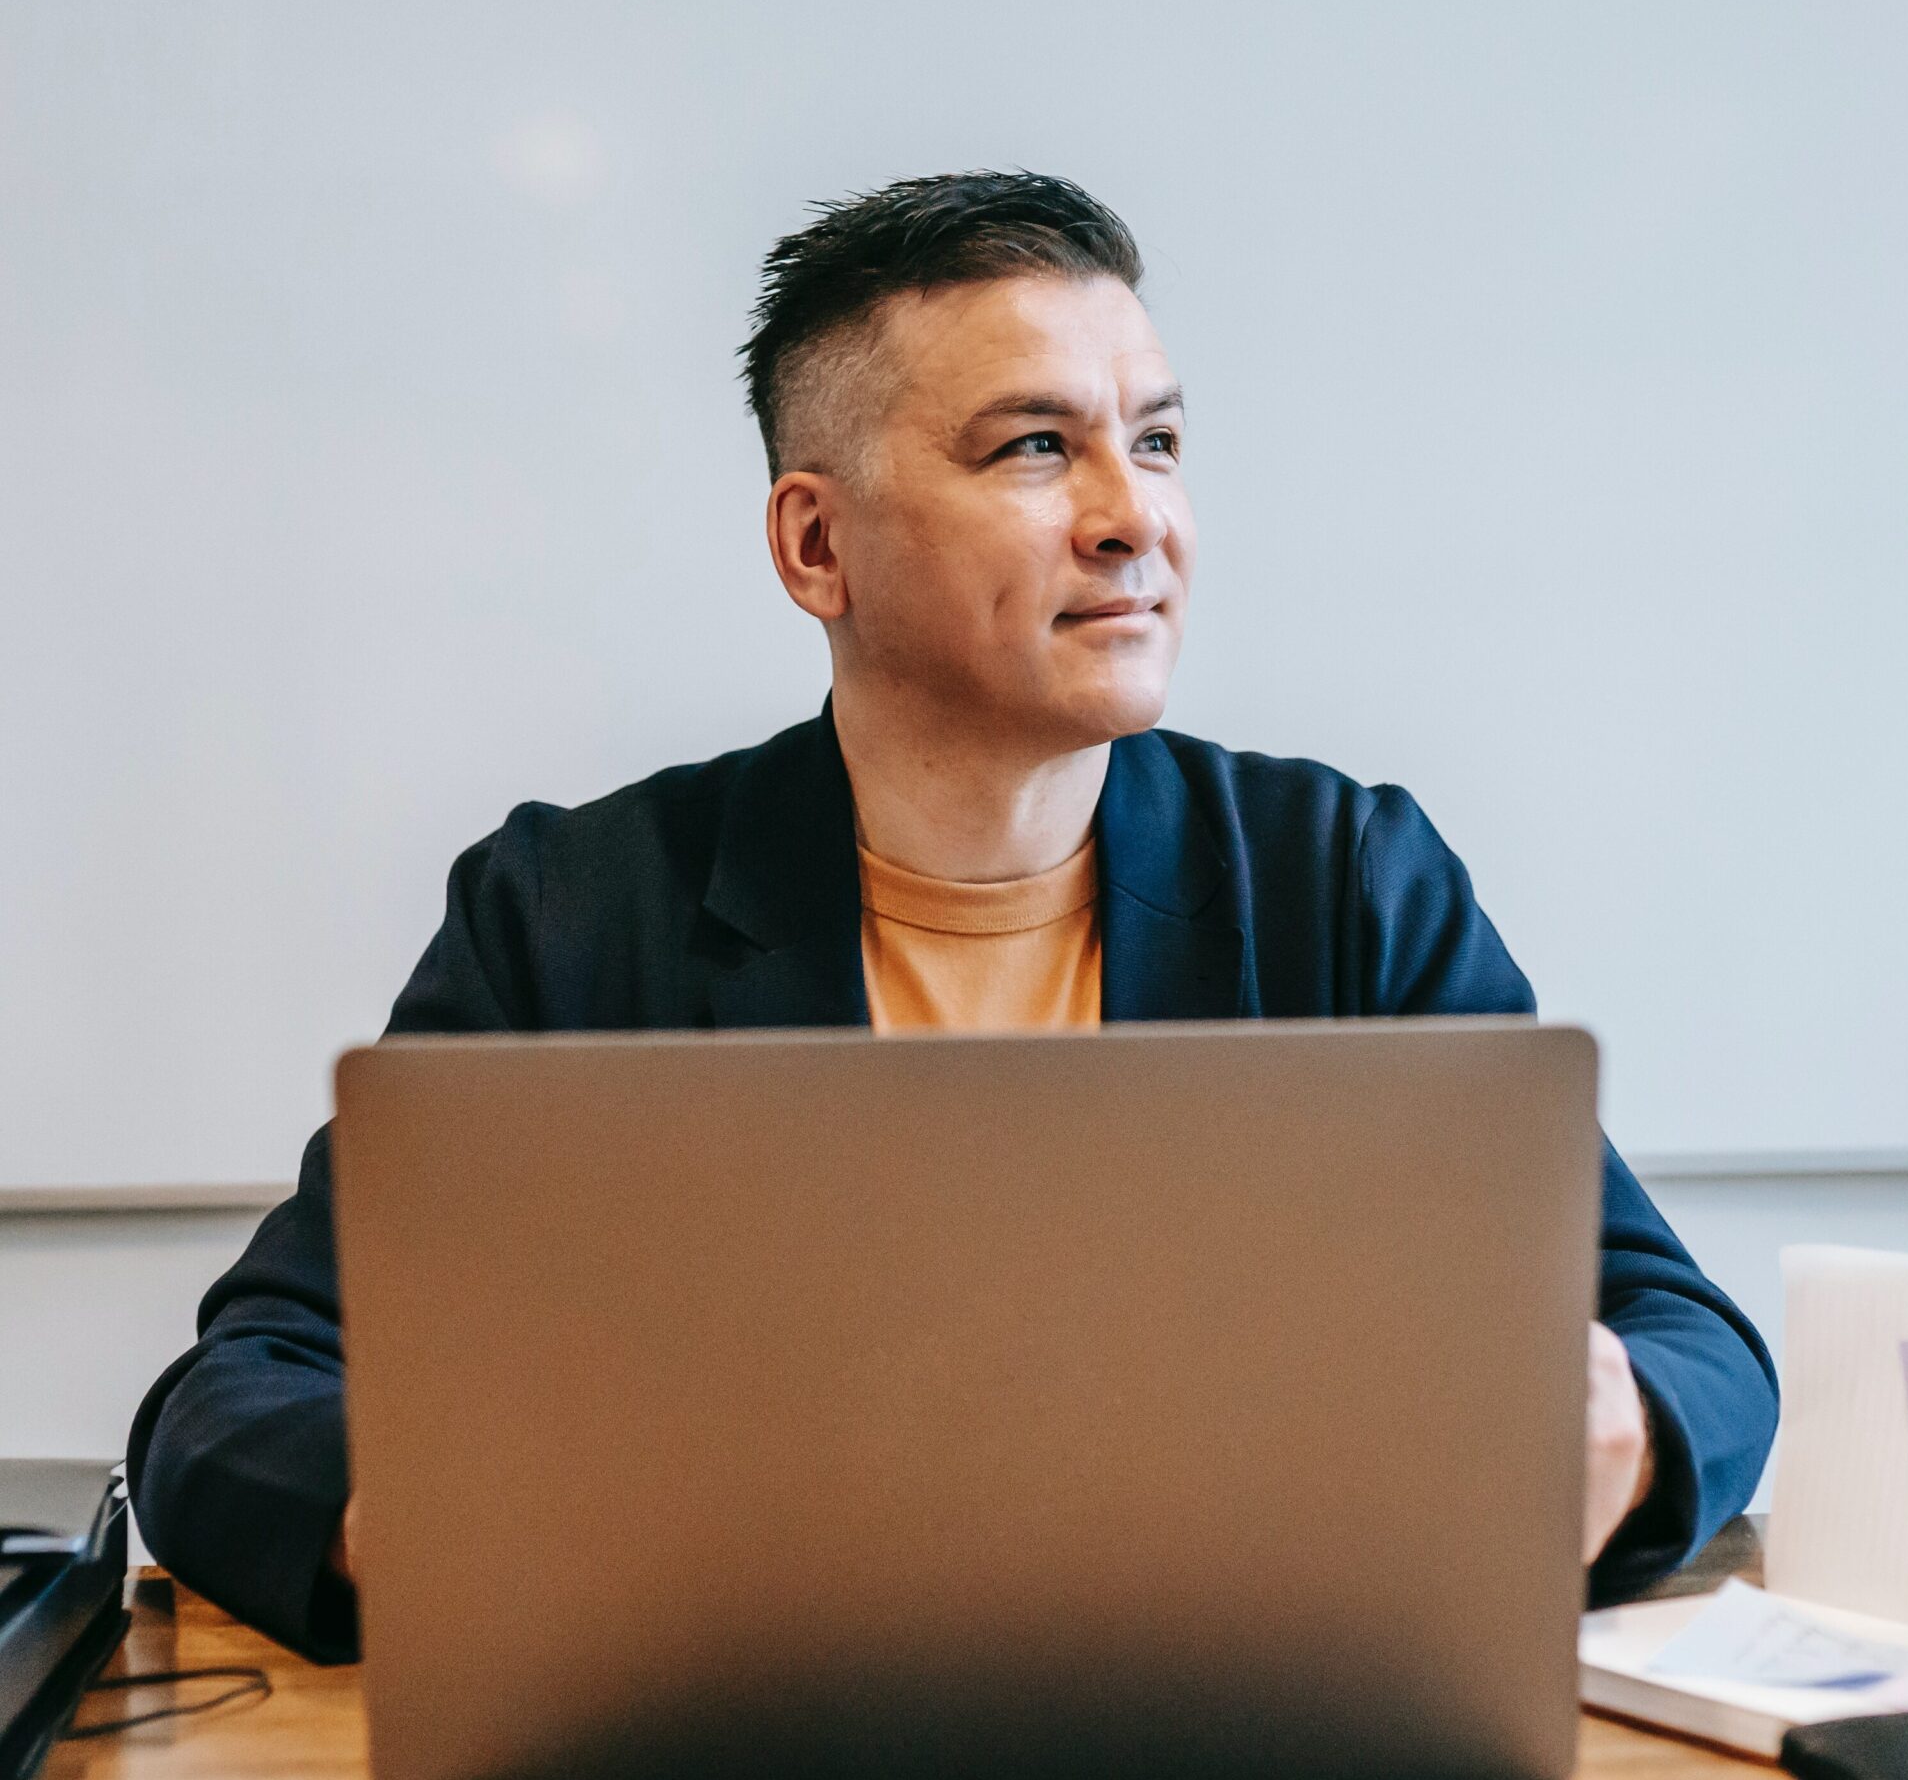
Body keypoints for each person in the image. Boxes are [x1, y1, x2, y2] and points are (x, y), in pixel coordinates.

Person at [128, 171, 1778, 1663]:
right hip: (731, 1721)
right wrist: (440, 1526)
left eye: (1159, 439)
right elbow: (234, 1397)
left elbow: (1687, 1340)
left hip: (1250, 1710)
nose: (1134, 516)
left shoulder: (1337, 874)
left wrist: (1615, 1423)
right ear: (817, 541)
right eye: (1036, 447)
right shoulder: (574, 914)